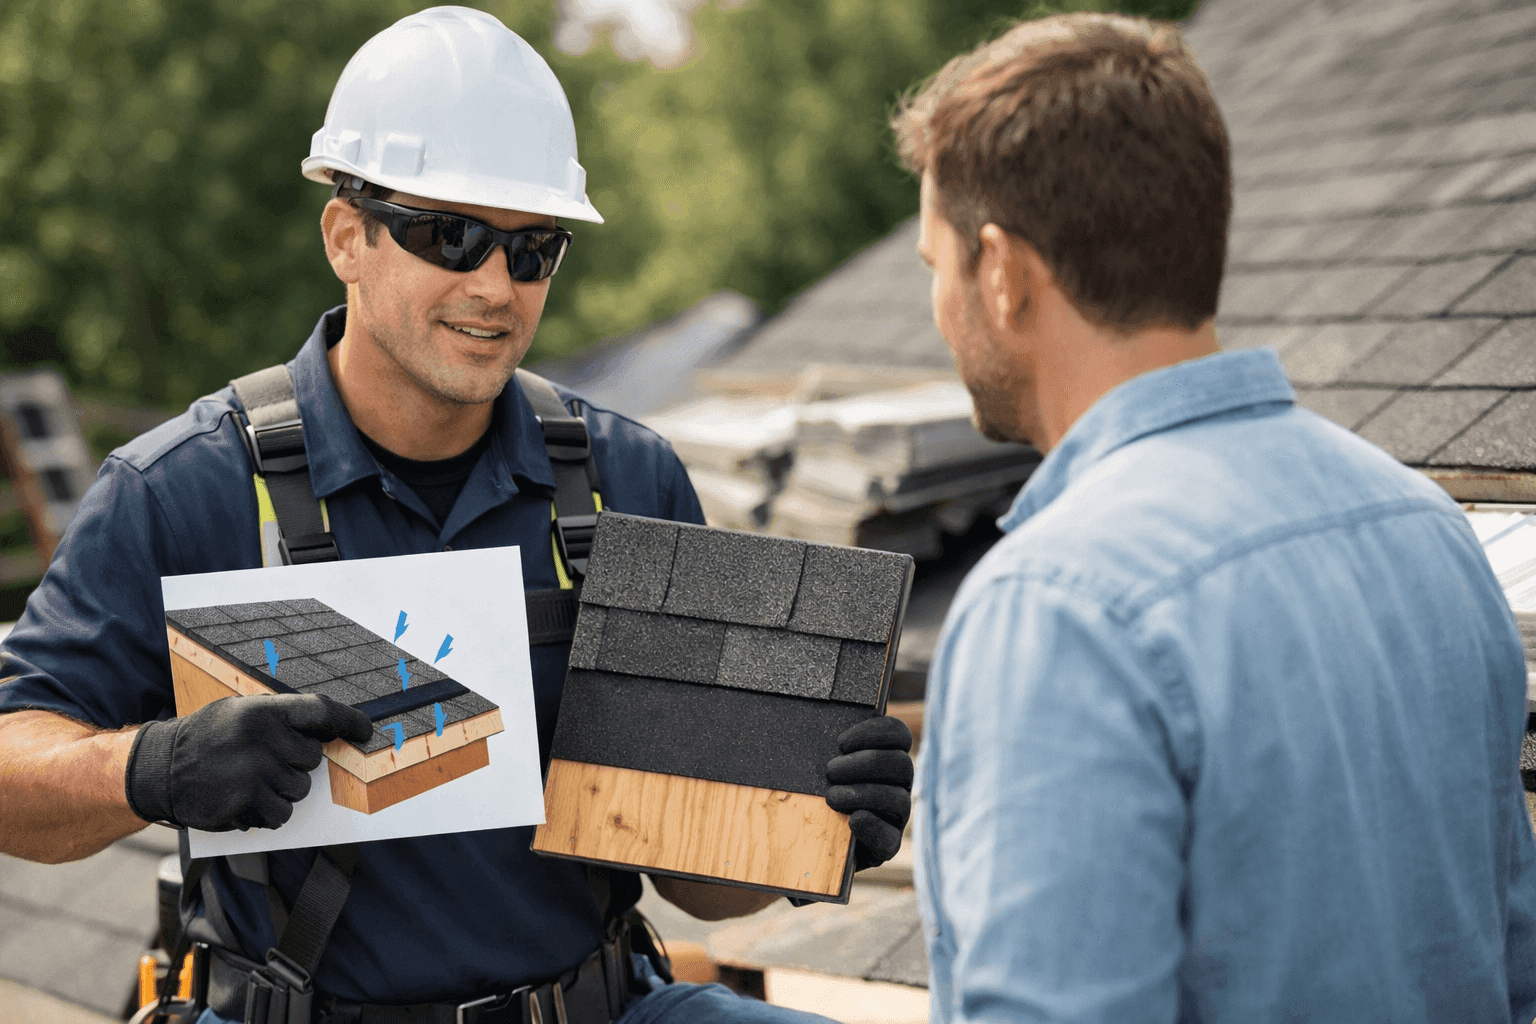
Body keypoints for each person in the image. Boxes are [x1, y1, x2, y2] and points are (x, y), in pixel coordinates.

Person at [0, 8, 912, 1024]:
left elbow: (700, 885)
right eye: (452, 236)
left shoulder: (628, 480)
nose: (495, 286)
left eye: (533, 251)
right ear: (346, 236)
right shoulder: (184, 491)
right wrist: (152, 766)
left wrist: (810, 822)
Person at [895, 12, 1536, 1023]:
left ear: (1005, 272)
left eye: (935, 266)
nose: (936, 305)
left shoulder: (1056, 608)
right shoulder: (1429, 529)